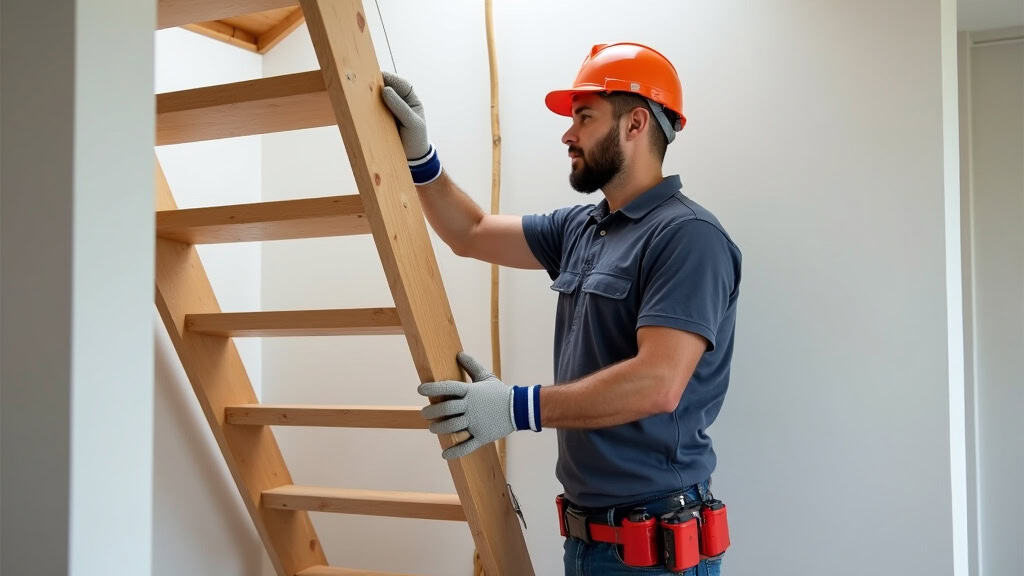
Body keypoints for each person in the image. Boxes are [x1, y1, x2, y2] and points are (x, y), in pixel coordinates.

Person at [381, 42, 741, 576]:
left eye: (584, 117)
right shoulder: (582, 229)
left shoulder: (688, 238)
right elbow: (472, 232)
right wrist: (421, 158)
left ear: (636, 124)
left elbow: (658, 382)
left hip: (654, 550)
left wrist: (513, 407)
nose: (568, 135)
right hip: (587, 539)